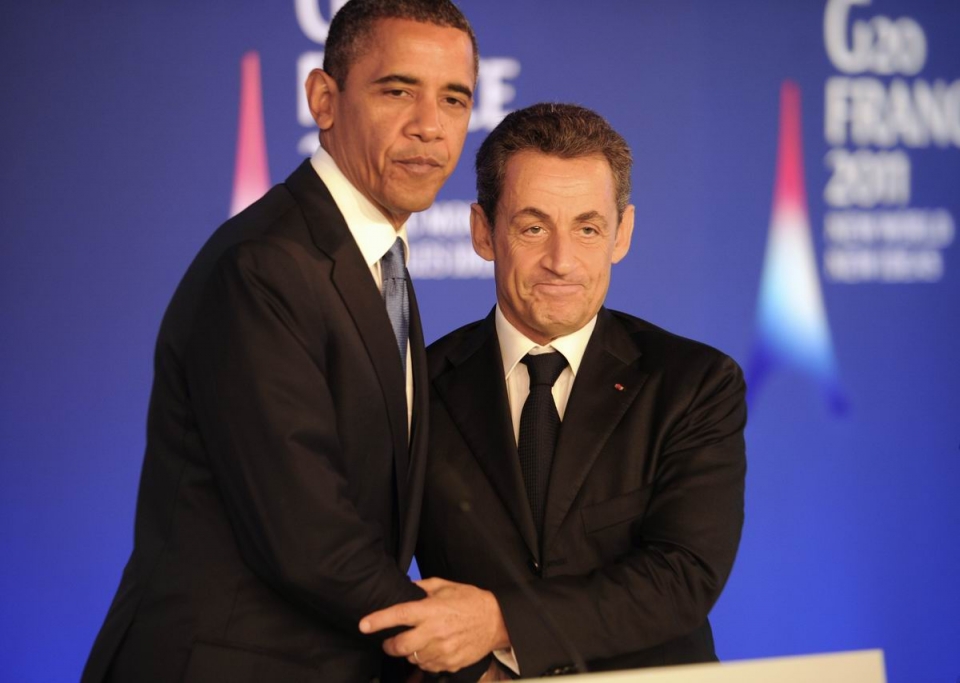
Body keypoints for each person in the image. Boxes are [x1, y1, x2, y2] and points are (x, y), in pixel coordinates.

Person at [81, 1, 477, 681]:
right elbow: (307, 536)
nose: (430, 125)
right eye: (397, 91)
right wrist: (467, 656)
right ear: (323, 99)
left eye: (454, 99)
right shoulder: (265, 265)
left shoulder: (376, 261)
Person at [360, 103, 747, 678]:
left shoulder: (694, 383)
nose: (561, 262)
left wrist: (501, 624)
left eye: (588, 229)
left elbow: (683, 577)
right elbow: (365, 572)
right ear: (483, 232)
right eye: (533, 228)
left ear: (622, 234)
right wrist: (470, 669)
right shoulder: (416, 387)